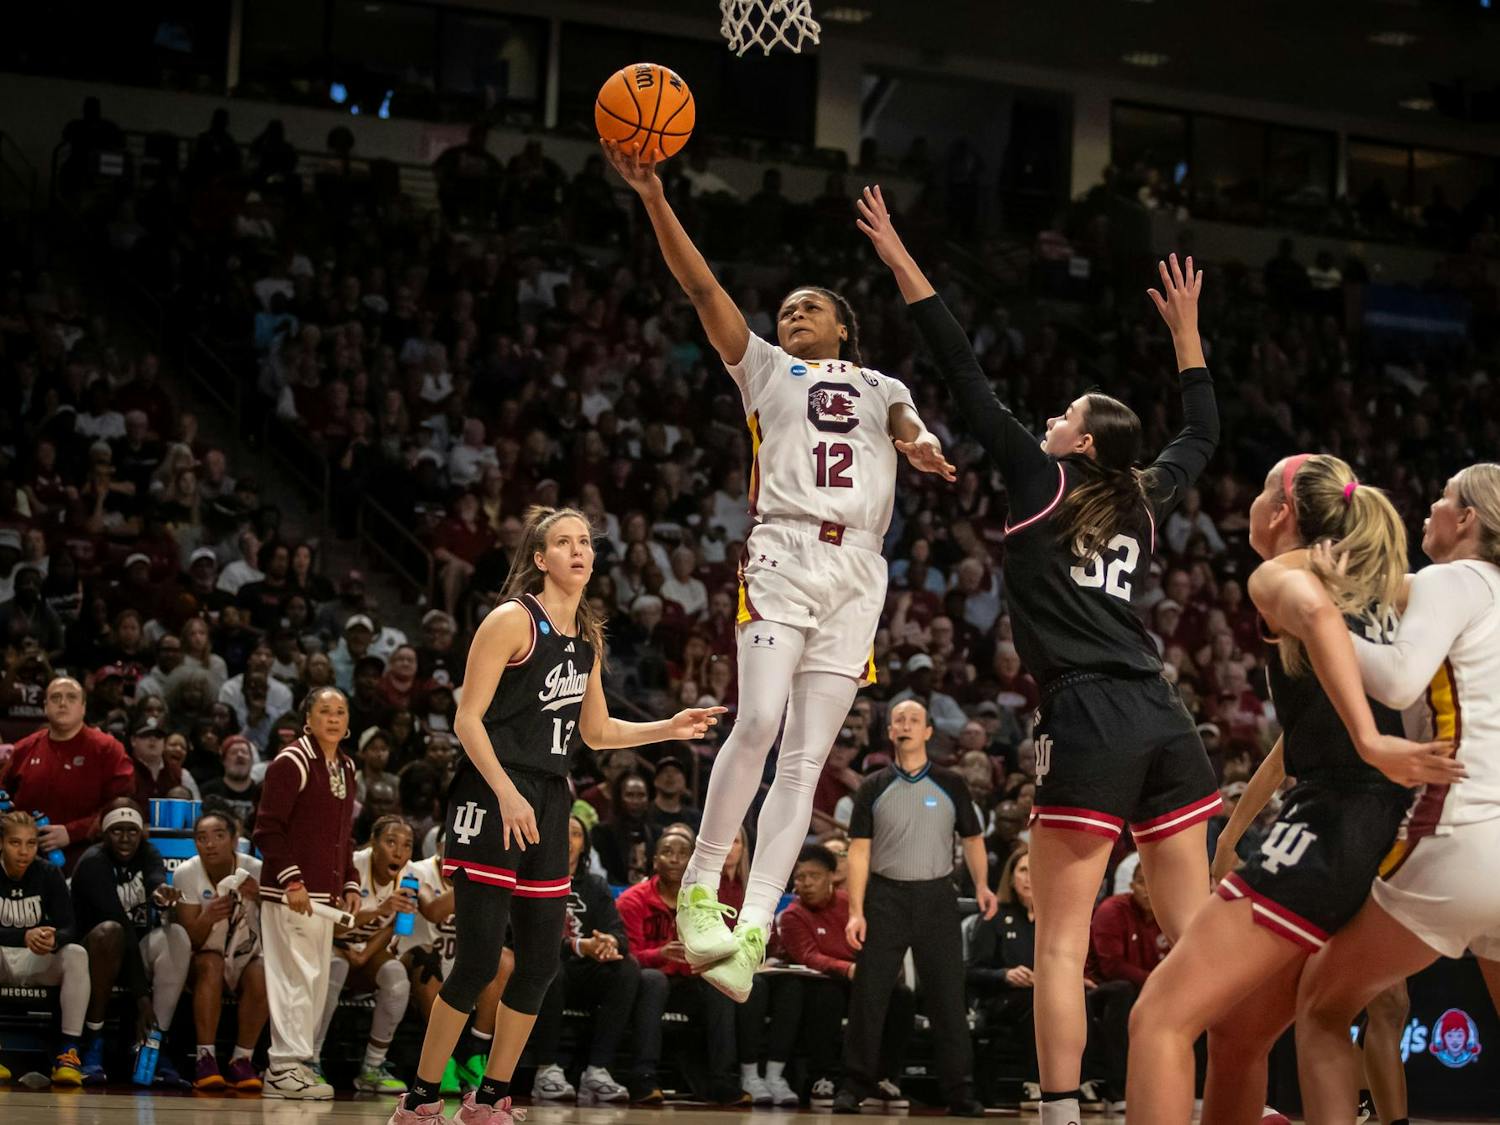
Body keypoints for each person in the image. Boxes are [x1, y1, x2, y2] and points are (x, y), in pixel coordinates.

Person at [857, 185, 1221, 1125]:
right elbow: (1203, 433)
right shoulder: (1140, 496)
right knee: (1197, 936)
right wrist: (1187, 334)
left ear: (1080, 439)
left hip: (1092, 712)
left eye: (1063, 411)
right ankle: (1222, 1096)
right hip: (1163, 710)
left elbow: (962, 370)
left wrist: (900, 257)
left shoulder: (1041, 477)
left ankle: (1060, 1113)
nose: (1050, 416)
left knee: (1060, 944)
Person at [602, 141, 955, 1005]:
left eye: (809, 308)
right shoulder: (766, 365)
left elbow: (911, 426)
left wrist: (921, 443)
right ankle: (700, 890)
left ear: (843, 326)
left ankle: (754, 922)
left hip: (859, 566)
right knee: (756, 719)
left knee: (807, 760)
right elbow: (701, 288)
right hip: (785, 548)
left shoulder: (880, 382)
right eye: (787, 307)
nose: (792, 314)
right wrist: (653, 196)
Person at [1125, 454, 1461, 1124]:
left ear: (1281, 511)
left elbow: (1311, 615)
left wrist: (1367, 737)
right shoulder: (1373, 587)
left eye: (1257, 491)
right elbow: (1307, 729)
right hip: (1391, 825)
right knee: (1241, 1032)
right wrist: (1242, 821)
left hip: (1337, 815)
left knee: (1159, 1016)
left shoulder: (1285, 573)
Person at [389, 506, 724, 1125]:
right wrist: (505, 792)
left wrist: (668, 727)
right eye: (563, 543)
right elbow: (466, 720)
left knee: (541, 961)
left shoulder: (587, 637)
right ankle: (419, 1095)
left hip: (549, 792)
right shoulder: (511, 621)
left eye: (585, 543)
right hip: (493, 790)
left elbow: (595, 732)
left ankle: (489, 1097)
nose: (578, 551)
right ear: (540, 559)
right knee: (480, 960)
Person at [1291, 463, 1500, 1124]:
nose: (1431, 510)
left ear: (1466, 518)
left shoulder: (1452, 576)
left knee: (1322, 1007)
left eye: (1441, 499)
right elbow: (1390, 592)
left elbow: (1401, 680)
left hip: (1457, 832)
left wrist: (1321, 628)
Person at [837, 699, 997, 1116]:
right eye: (898, 720)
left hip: (936, 898)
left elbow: (973, 840)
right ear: (889, 732)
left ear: (928, 732)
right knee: (870, 995)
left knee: (947, 997)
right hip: (885, 896)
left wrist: (982, 885)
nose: (906, 725)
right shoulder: (872, 785)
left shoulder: (951, 783)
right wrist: (856, 910)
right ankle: (854, 1085)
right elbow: (857, 852)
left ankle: (960, 1091)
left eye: (914, 720)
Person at [252, 685, 363, 1099]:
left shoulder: (347, 767)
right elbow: (266, 828)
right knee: (293, 978)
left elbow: (343, 836)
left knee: (314, 981)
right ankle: (282, 1066)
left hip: (325, 897)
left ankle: (297, 1064)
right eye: (325, 711)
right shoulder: (291, 761)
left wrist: (349, 881)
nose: (334, 718)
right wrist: (292, 880)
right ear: (308, 718)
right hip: (292, 894)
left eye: (340, 711)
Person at [779, 843, 913, 1108]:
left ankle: (885, 1078)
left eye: (813, 876)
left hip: (860, 977)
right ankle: (823, 1077)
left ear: (831, 876)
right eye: (799, 877)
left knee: (901, 996)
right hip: (818, 981)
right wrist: (847, 968)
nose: (805, 883)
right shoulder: (793, 915)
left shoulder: (851, 904)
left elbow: (875, 942)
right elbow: (808, 956)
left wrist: (874, 969)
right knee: (827, 996)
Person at [69, 798, 191, 1086]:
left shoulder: (148, 853)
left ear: (141, 833)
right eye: (117, 831)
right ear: (105, 833)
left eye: (132, 831)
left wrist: (161, 892)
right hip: (93, 954)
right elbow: (119, 924)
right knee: (110, 932)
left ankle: (154, 1042)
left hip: (134, 952)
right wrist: (141, 997)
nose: (125, 839)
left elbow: (154, 878)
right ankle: (93, 1042)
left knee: (178, 936)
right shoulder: (92, 863)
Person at [615, 829, 743, 1105]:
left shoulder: (704, 903)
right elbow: (627, 955)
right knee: (653, 980)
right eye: (667, 853)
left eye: (683, 854)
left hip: (688, 981)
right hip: (646, 983)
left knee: (720, 985)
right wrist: (659, 954)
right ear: (654, 861)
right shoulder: (631, 901)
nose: (675, 859)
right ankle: (643, 1078)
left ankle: (722, 1080)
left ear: (693, 863)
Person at [529, 815, 642, 1105]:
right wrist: (579, 946)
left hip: (586, 973)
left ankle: (597, 1070)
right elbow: (522, 937)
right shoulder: (532, 878)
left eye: (576, 834)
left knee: (627, 967)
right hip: (546, 971)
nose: (568, 840)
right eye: (562, 833)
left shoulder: (596, 886)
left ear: (584, 845)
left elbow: (619, 933)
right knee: (549, 967)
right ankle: (546, 1071)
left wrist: (609, 943)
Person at [397, 830, 517, 1098]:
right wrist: (476, 877)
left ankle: (475, 1052)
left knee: (504, 960)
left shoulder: (484, 879)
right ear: (442, 847)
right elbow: (433, 910)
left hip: (461, 965)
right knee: (427, 960)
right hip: (417, 962)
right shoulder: (415, 871)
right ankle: (445, 1060)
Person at [307, 815, 415, 1093]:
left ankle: (372, 1067)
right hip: (332, 941)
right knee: (336, 967)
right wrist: (379, 909)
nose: (399, 851)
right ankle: (310, 1060)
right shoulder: (351, 867)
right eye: (391, 842)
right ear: (373, 844)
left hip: (367, 947)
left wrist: (366, 954)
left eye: (406, 845)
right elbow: (334, 928)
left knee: (398, 979)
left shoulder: (410, 876)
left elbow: (394, 927)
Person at [173, 810, 268, 1091]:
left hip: (244, 954)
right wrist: (208, 916)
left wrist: (261, 895)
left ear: (235, 840)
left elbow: (280, 923)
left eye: (218, 836)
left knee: (262, 972)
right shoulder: (186, 873)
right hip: (202, 958)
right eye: (202, 838)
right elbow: (189, 940)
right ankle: (205, 1058)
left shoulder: (256, 870)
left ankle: (242, 1060)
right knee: (211, 963)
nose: (210, 844)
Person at [1, 675, 136, 871]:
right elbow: (2, 794)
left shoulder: (108, 749)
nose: (63, 703)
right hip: (25, 861)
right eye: (55, 698)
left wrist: (72, 832)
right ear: (46, 707)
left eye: (71, 697)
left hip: (87, 859)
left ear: (83, 707)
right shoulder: (24, 748)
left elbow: (120, 806)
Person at [0, 810, 90, 1086]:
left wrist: (54, 939)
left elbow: (69, 927)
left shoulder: (49, 873)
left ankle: (68, 1052)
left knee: (76, 953)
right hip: (3, 958)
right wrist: (23, 936)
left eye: (31, 843)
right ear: (1, 843)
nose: (24, 851)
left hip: (35, 959)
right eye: (16, 843)